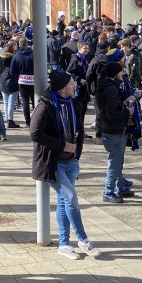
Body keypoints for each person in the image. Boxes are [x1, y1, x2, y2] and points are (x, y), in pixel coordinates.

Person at [30, 70, 101, 260]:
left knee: (64, 202)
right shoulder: (45, 106)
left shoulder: (73, 103)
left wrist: (76, 151)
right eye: (72, 83)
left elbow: (78, 129)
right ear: (63, 88)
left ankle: (63, 244)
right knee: (70, 198)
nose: (75, 85)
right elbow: (34, 133)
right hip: (53, 163)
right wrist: (62, 145)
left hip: (71, 161)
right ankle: (83, 239)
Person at [95, 61, 134, 203]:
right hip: (113, 130)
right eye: (120, 71)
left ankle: (120, 185)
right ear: (114, 73)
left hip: (110, 129)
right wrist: (126, 111)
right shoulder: (111, 89)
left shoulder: (107, 86)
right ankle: (109, 191)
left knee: (118, 160)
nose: (122, 73)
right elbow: (112, 113)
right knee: (115, 161)